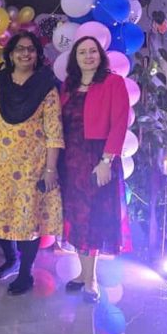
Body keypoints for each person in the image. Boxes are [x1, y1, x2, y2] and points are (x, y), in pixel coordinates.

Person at [0, 32, 65, 295]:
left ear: (37, 54)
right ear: (10, 54)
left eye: (30, 49)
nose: (25, 53)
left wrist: (50, 169)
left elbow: (54, 131)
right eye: (19, 49)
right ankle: (10, 259)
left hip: (32, 166)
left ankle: (25, 274)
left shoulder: (47, 86)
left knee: (29, 220)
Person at [60, 36, 130, 303]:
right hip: (71, 160)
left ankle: (91, 279)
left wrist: (106, 161)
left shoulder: (113, 83)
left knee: (94, 218)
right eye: (82, 52)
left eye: (93, 51)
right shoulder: (69, 85)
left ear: (100, 55)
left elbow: (119, 123)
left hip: (98, 158)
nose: (88, 56)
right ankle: (81, 272)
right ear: (75, 58)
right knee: (76, 216)